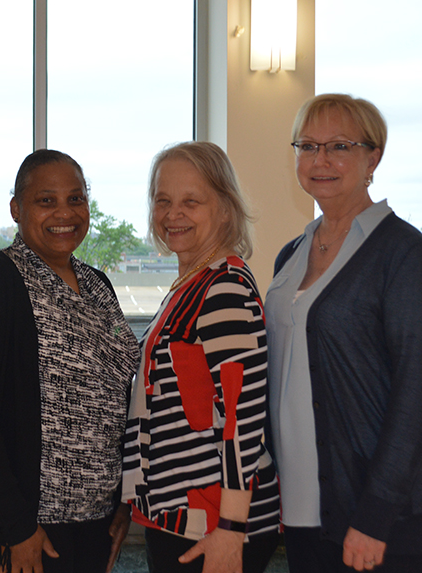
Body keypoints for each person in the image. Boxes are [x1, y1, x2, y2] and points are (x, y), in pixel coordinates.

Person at [265, 94, 422, 573]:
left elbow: (418, 398)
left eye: (339, 146)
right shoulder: (291, 254)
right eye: (308, 146)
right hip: (305, 507)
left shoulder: (404, 254)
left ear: (373, 159)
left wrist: (376, 515)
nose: (320, 160)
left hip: (384, 515)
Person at [0, 150, 140, 573]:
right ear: (17, 208)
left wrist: (124, 499)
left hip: (96, 518)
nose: (64, 213)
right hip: (26, 524)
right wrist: (15, 526)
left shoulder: (98, 285)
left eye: (76, 199)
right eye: (46, 200)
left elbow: (121, 396)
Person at [122, 142, 281, 573]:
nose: (173, 214)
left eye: (191, 201)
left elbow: (241, 418)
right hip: (184, 515)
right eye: (163, 201)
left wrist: (230, 528)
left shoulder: (223, 289)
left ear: (225, 209)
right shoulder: (192, 283)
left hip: (215, 522)